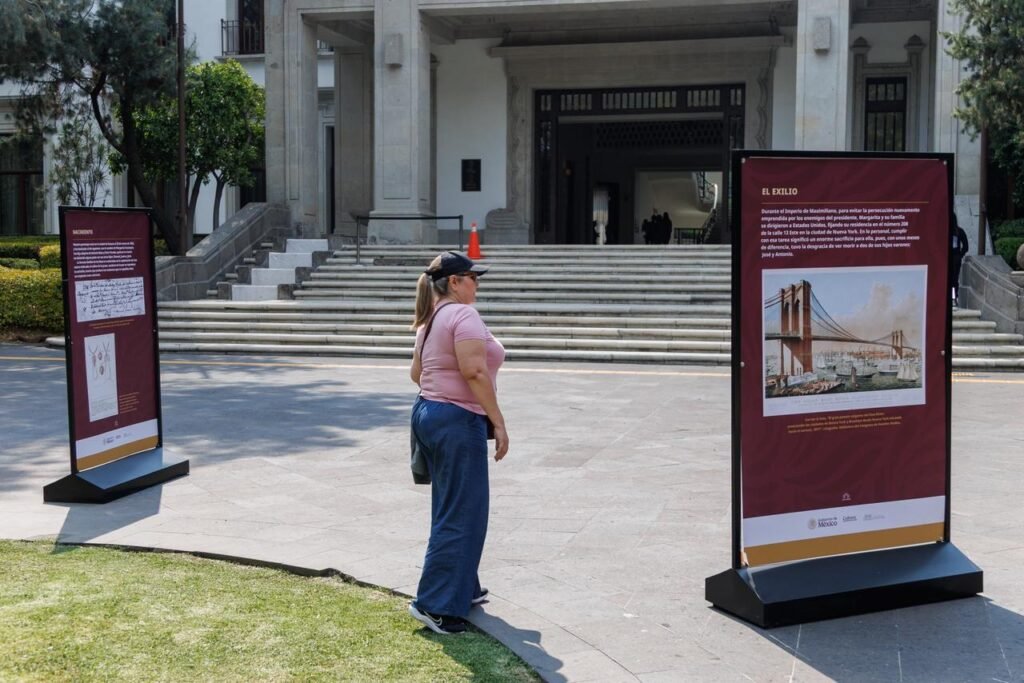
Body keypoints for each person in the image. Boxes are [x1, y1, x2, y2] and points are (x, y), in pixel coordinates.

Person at [408, 250, 509, 635]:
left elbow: (417, 373)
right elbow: (474, 370)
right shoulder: (462, 315)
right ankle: (433, 605)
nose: (477, 283)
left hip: (431, 414)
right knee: (463, 512)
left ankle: (462, 587)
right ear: (454, 282)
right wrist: (497, 422)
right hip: (455, 419)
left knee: (453, 508)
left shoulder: (430, 319)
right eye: (472, 277)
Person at [951, 214, 970, 307]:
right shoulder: (959, 231)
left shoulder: (959, 231)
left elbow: (966, 246)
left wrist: (959, 255)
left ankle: (954, 298)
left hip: (954, 258)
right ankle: (953, 298)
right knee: (954, 279)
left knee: (953, 279)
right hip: (954, 258)